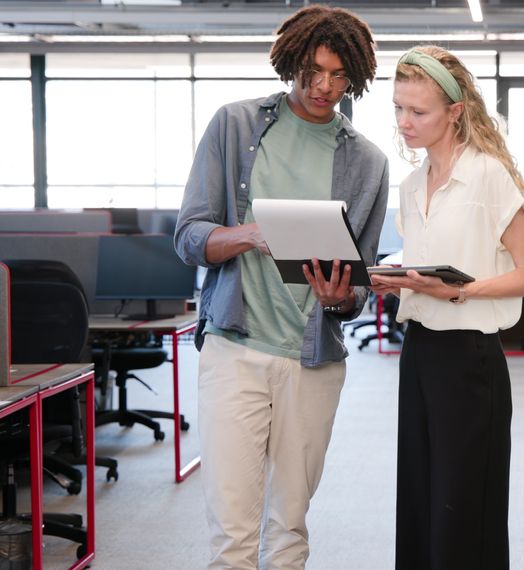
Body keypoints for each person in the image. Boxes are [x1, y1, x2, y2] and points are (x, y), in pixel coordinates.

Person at [174, 6, 388, 569]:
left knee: (289, 524)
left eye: (340, 76)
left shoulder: (367, 162)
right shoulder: (235, 125)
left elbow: (359, 283)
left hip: (311, 357)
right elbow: (190, 236)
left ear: (357, 77)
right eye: (313, 71)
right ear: (291, 61)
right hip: (235, 349)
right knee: (232, 529)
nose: (324, 87)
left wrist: (341, 296)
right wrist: (248, 234)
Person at [370, 46, 524, 570]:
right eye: (399, 109)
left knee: (464, 501)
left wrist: (461, 291)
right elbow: (428, 264)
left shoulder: (488, 177)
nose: (405, 122)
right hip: (419, 353)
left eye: (418, 111)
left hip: (471, 359)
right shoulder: (409, 185)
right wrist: (397, 278)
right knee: (422, 494)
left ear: (455, 111)